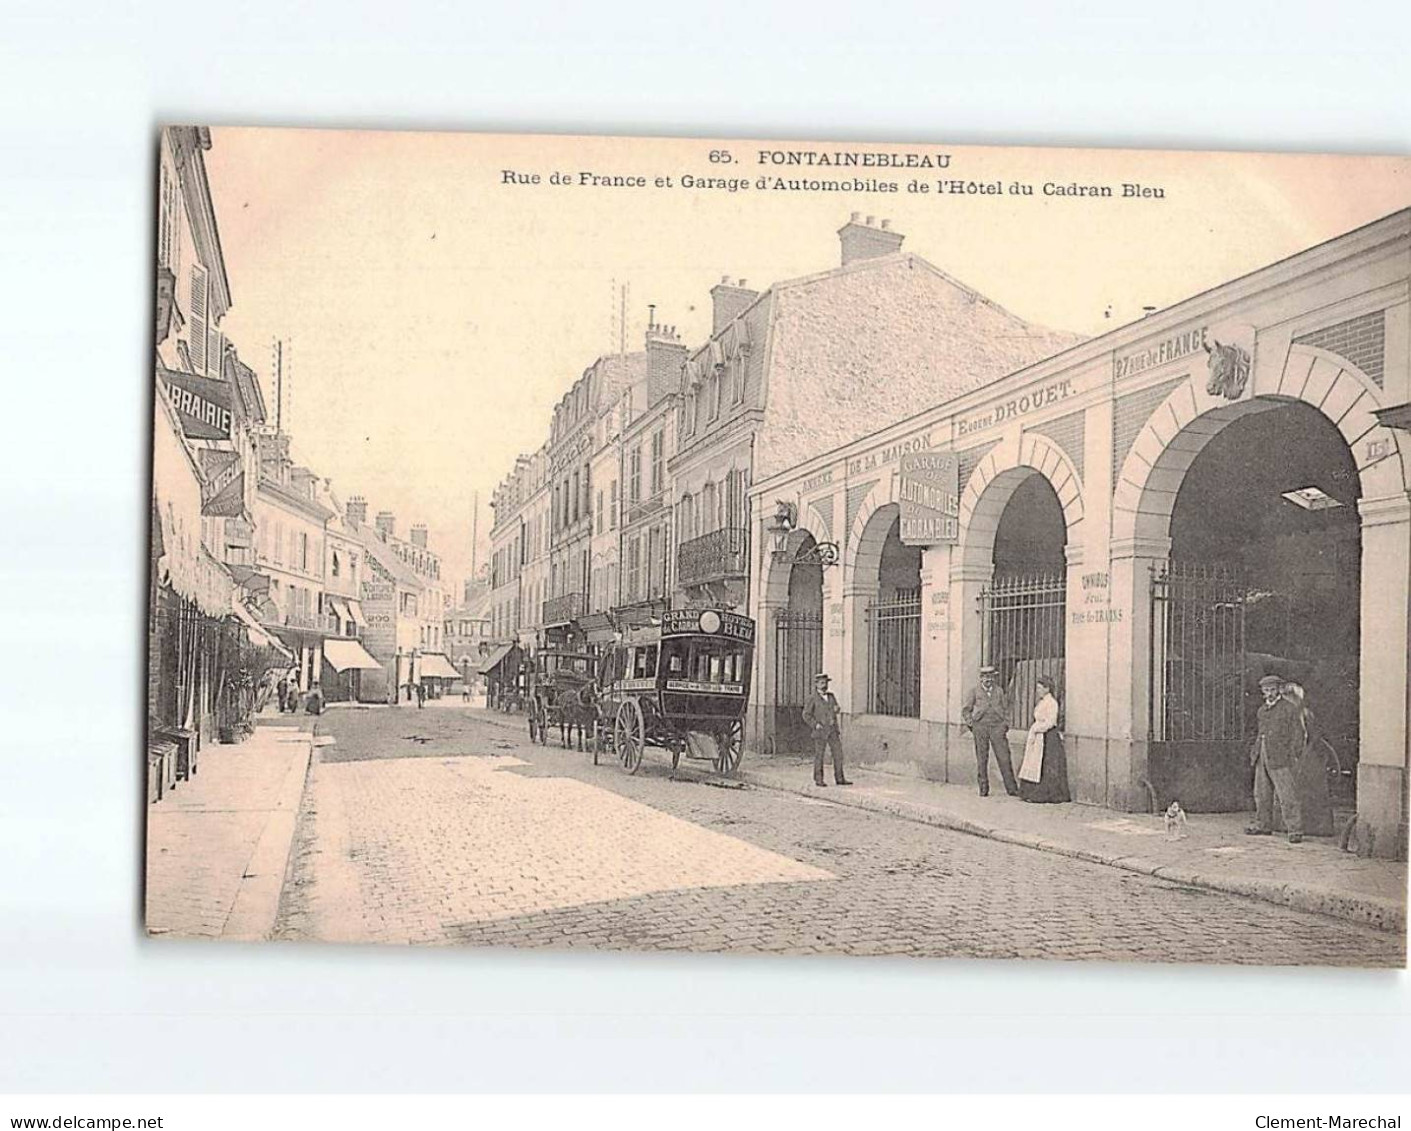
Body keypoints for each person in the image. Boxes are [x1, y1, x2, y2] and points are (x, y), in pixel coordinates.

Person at [1247, 673, 1306, 842]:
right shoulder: (1262, 711)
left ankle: (1295, 830)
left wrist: (1294, 754)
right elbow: (1260, 733)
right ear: (1262, 692)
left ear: (1279, 690)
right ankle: (1263, 825)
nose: (1270, 693)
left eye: (1272, 689)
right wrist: (1255, 752)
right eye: (1266, 690)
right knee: (1261, 793)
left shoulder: (1289, 708)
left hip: (1281, 756)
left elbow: (1298, 734)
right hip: (1262, 754)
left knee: (1287, 795)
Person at [961, 664, 1018, 797]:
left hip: (997, 727)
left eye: (990, 677)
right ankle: (983, 787)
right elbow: (966, 710)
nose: (988, 680)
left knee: (1004, 757)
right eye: (985, 677)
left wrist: (1005, 724)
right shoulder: (974, 691)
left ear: (994, 678)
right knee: (982, 758)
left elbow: (1006, 708)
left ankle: (1011, 788)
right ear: (981, 678)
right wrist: (972, 725)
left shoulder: (999, 691)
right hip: (980, 727)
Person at [1018, 673, 1071, 803]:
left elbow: (1050, 722)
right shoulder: (1042, 702)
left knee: (1046, 765)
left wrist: (1037, 729)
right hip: (1039, 736)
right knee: (1035, 764)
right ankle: (1031, 793)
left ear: (1047, 688)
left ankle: (1046, 795)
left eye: (1040, 688)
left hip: (1048, 736)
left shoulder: (1052, 703)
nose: (1038, 691)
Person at [801, 672, 851, 787]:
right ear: (816, 685)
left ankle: (840, 778)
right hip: (820, 731)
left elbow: (835, 708)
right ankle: (818, 779)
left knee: (838, 754)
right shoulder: (812, 698)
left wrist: (836, 709)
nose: (825, 685)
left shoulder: (831, 696)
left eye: (826, 683)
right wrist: (815, 724)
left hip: (832, 730)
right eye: (822, 683)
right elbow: (806, 714)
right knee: (820, 755)